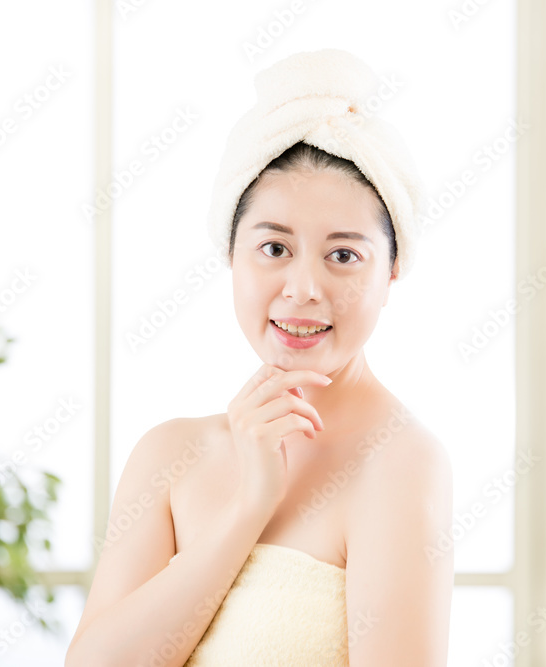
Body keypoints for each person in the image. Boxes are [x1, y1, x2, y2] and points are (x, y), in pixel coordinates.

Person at [65, 48, 453, 666]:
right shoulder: (168, 454)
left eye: (344, 255)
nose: (302, 288)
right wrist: (250, 503)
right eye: (274, 248)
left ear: (394, 269)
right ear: (232, 255)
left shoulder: (402, 464)